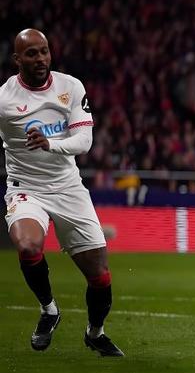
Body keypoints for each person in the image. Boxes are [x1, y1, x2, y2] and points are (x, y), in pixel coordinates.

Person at [0, 29, 124, 356]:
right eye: (31, 54)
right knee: (28, 246)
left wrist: (50, 144)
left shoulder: (70, 87)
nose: (40, 58)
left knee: (99, 275)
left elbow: (84, 142)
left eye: (44, 51)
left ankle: (95, 333)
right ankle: (49, 310)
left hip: (68, 188)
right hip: (26, 188)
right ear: (17, 59)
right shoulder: (4, 99)